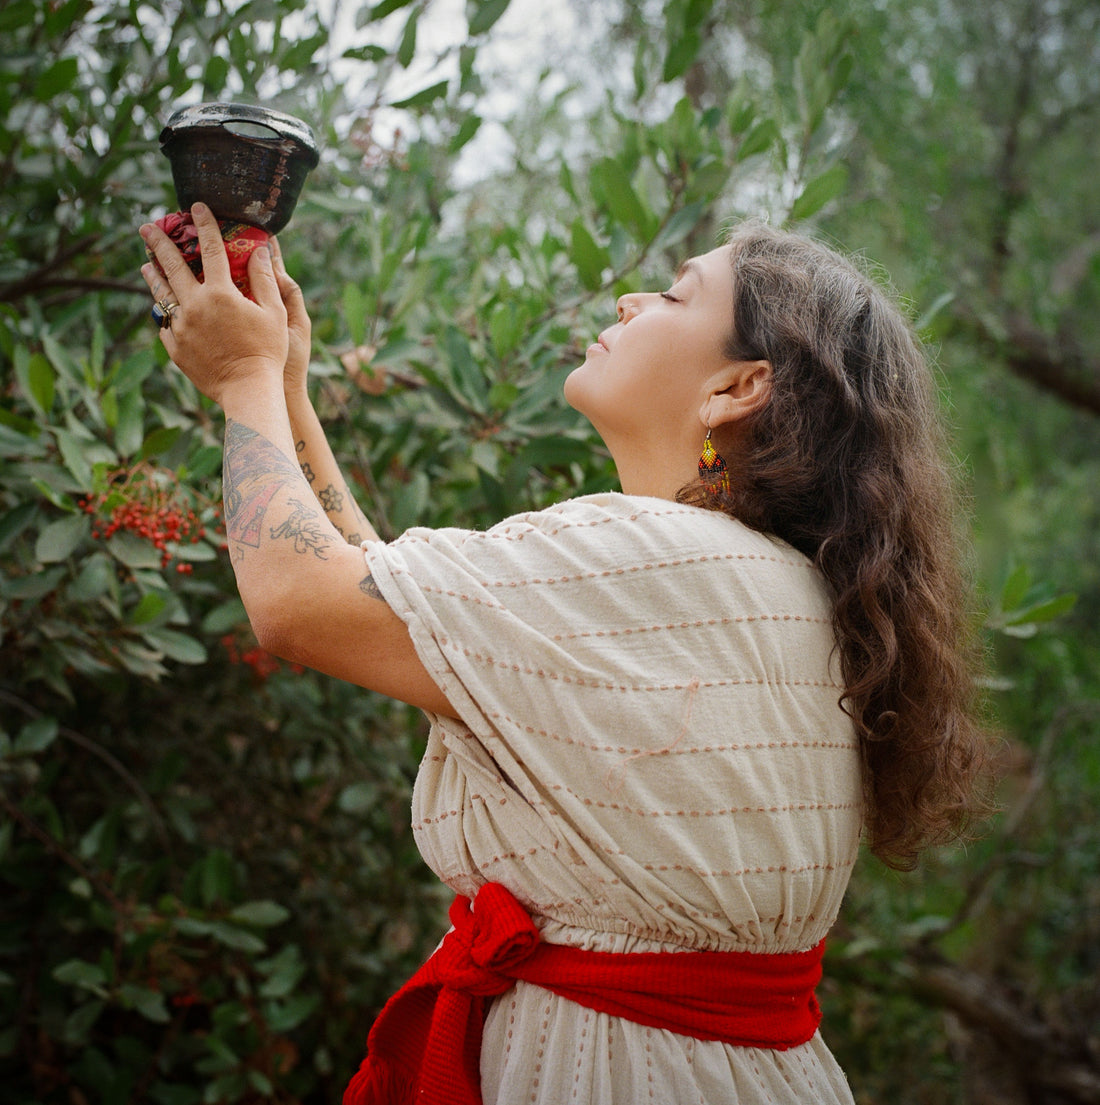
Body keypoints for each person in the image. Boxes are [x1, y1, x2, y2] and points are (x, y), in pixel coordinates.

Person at [139, 205, 987, 1105]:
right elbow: (375, 604)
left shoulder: (651, 555)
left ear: (739, 388)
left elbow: (299, 602)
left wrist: (244, 376)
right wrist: (291, 393)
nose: (628, 299)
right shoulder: (782, 589)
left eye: (671, 294)